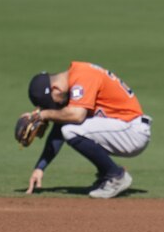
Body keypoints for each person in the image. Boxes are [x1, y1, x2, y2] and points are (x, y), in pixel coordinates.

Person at [22, 61, 152, 199]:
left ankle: (115, 175)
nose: (57, 106)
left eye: (53, 103)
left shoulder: (82, 76)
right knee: (68, 127)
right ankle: (106, 176)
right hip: (122, 129)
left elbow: (77, 117)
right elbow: (58, 130)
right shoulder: (74, 79)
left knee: (71, 130)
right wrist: (40, 168)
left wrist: (43, 114)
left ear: (56, 88)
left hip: (131, 131)